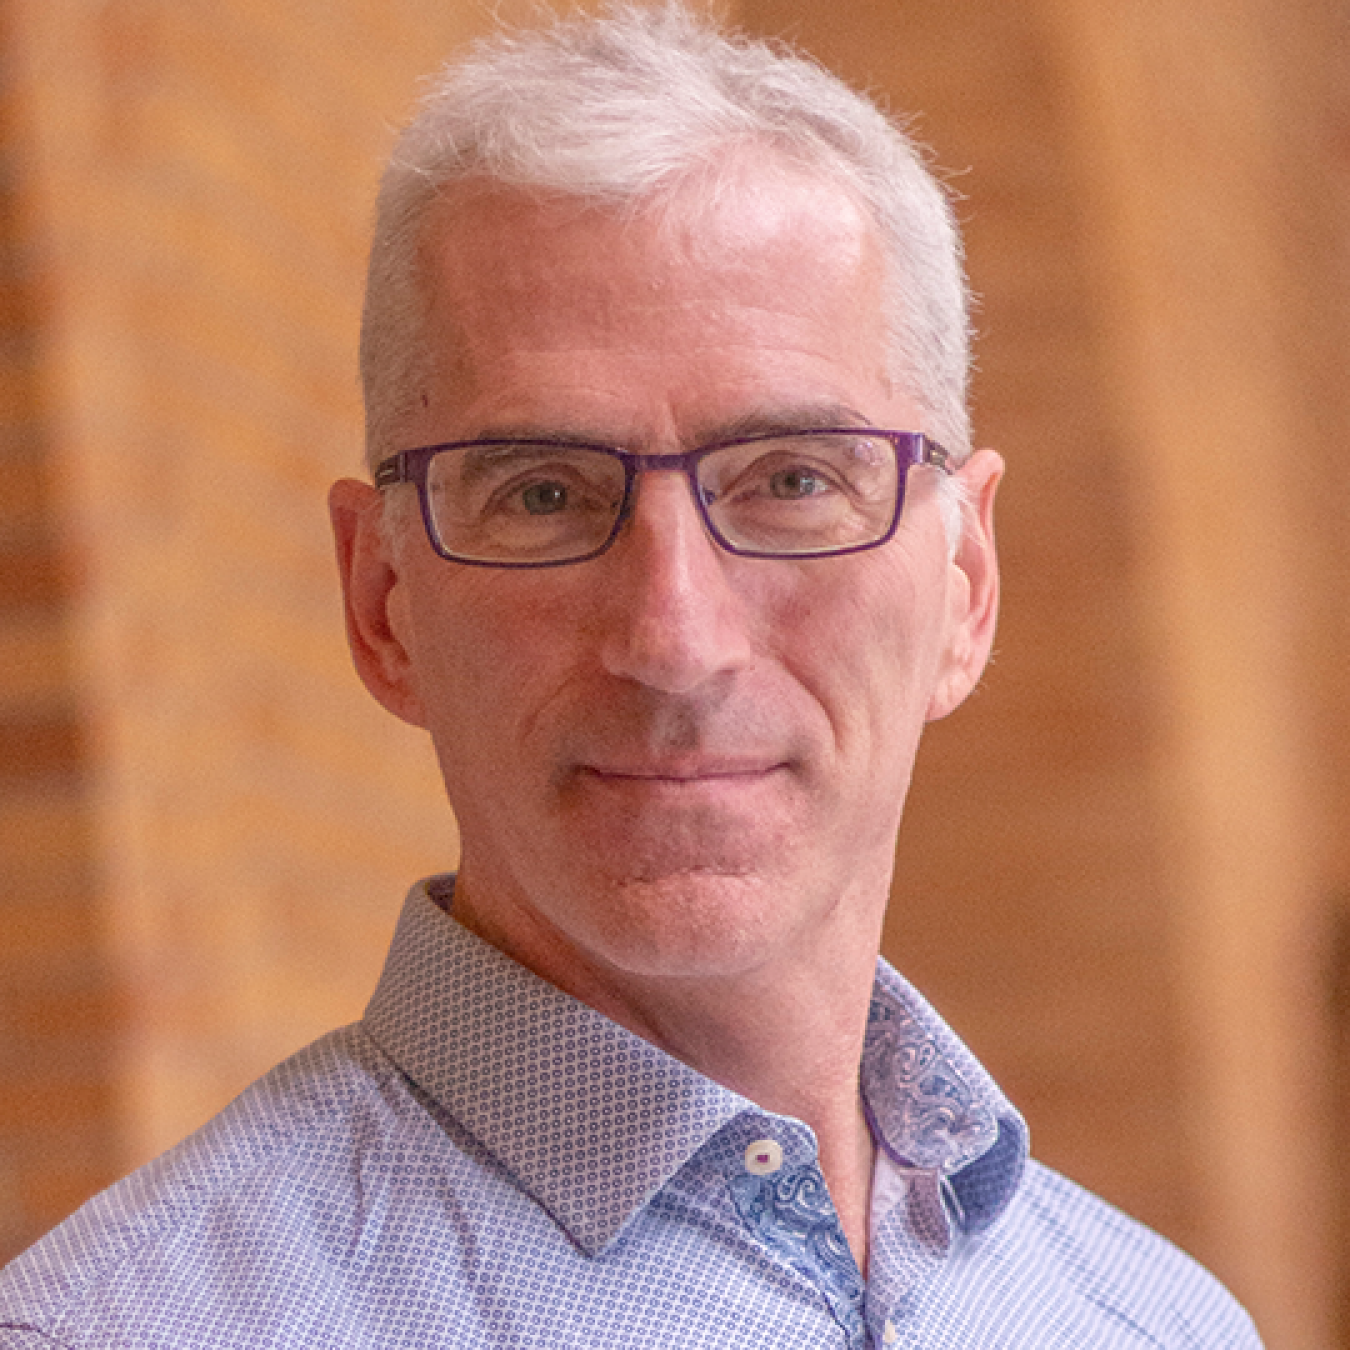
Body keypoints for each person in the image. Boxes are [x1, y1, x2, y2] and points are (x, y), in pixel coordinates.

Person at [0, 6, 1261, 1346]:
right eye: (541, 492)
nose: (673, 636)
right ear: (381, 601)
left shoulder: (1155, 1320)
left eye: (791, 481)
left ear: (963, 586)